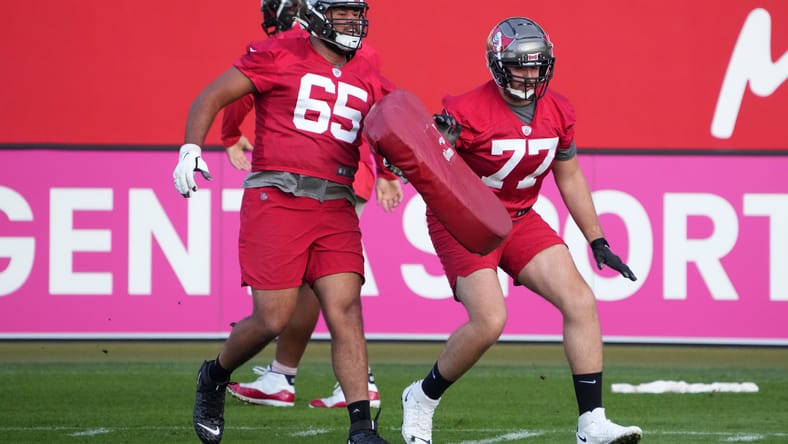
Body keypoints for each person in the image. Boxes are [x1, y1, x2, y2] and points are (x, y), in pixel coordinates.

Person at [399, 17, 643, 444]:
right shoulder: (466, 110)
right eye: (520, 66)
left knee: (580, 300)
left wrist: (596, 238)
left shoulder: (559, 110)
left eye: (537, 65)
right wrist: (432, 143)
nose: (530, 75)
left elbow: (569, 176)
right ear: (498, 64)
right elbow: (428, 163)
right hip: (464, 221)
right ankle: (421, 397)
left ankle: (592, 422)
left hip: (519, 217)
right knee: (490, 320)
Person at [172, 1, 401, 443]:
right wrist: (190, 147)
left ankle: (361, 429)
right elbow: (212, 96)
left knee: (346, 309)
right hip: (278, 196)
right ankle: (214, 376)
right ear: (315, 15)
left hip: (335, 203)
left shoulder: (367, 67)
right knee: (271, 318)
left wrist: (410, 164)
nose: (352, 23)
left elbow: (398, 124)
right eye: (342, 14)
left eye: (356, 14)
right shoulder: (279, 52)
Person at [221, 0, 389, 410]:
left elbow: (383, 114)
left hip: (336, 180)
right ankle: (285, 374)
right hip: (337, 176)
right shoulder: (347, 52)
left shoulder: (286, 47)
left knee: (330, 290)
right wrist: (385, 171)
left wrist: (228, 136)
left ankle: (328, 379)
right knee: (319, 289)